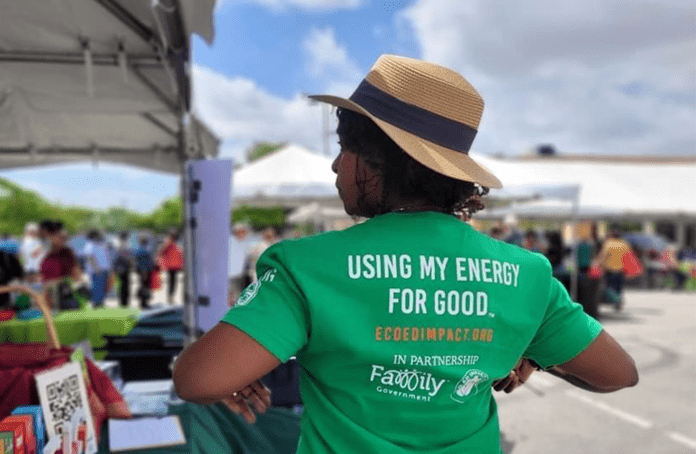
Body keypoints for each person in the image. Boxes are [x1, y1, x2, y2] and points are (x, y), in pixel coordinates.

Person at [173, 55, 638, 453]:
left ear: (376, 161)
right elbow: (616, 373)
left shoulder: (306, 266)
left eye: (344, 148)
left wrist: (242, 370)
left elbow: (197, 379)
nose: (336, 165)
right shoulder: (528, 274)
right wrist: (535, 354)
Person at [39, 220, 82, 310]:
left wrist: (54, 282)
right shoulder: (46, 254)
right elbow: (42, 274)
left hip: (62, 295)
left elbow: (76, 276)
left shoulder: (67, 253)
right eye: (61, 237)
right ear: (51, 237)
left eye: (65, 238)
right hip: (46, 296)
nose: (64, 240)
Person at [594, 227, 632, 309]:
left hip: (610, 270)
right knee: (619, 288)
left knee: (610, 288)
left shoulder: (609, 243)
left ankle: (616, 301)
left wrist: (598, 264)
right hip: (621, 270)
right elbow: (628, 256)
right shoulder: (624, 244)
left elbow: (603, 256)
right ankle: (618, 302)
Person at [83, 229, 111, 307]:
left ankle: (101, 302)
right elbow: (89, 257)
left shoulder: (101, 244)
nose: (101, 236)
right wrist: (96, 268)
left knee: (103, 286)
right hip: (96, 270)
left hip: (104, 269)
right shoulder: (90, 244)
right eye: (99, 234)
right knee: (96, 286)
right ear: (94, 235)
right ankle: (96, 303)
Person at [157, 229, 184, 304]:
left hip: (175, 266)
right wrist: (163, 262)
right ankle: (170, 298)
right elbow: (161, 253)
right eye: (174, 235)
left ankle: (171, 297)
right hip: (171, 266)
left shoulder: (173, 243)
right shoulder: (168, 242)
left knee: (173, 282)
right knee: (172, 282)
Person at [228, 223, 252, 304]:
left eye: (243, 232)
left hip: (239, 273)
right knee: (229, 294)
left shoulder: (246, 242)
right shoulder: (230, 241)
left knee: (237, 294)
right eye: (240, 232)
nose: (242, 233)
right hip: (229, 273)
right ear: (236, 232)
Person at [112, 231, 134, 307]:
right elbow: (122, 256)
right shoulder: (120, 244)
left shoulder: (124, 244)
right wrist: (129, 260)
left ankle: (125, 301)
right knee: (123, 284)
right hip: (121, 267)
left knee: (125, 284)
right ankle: (123, 302)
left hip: (124, 267)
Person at [135, 236, 155, 309]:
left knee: (144, 286)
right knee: (145, 286)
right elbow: (144, 262)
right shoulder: (144, 250)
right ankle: (144, 303)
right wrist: (145, 272)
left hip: (143, 270)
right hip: (144, 271)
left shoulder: (139, 249)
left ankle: (144, 303)